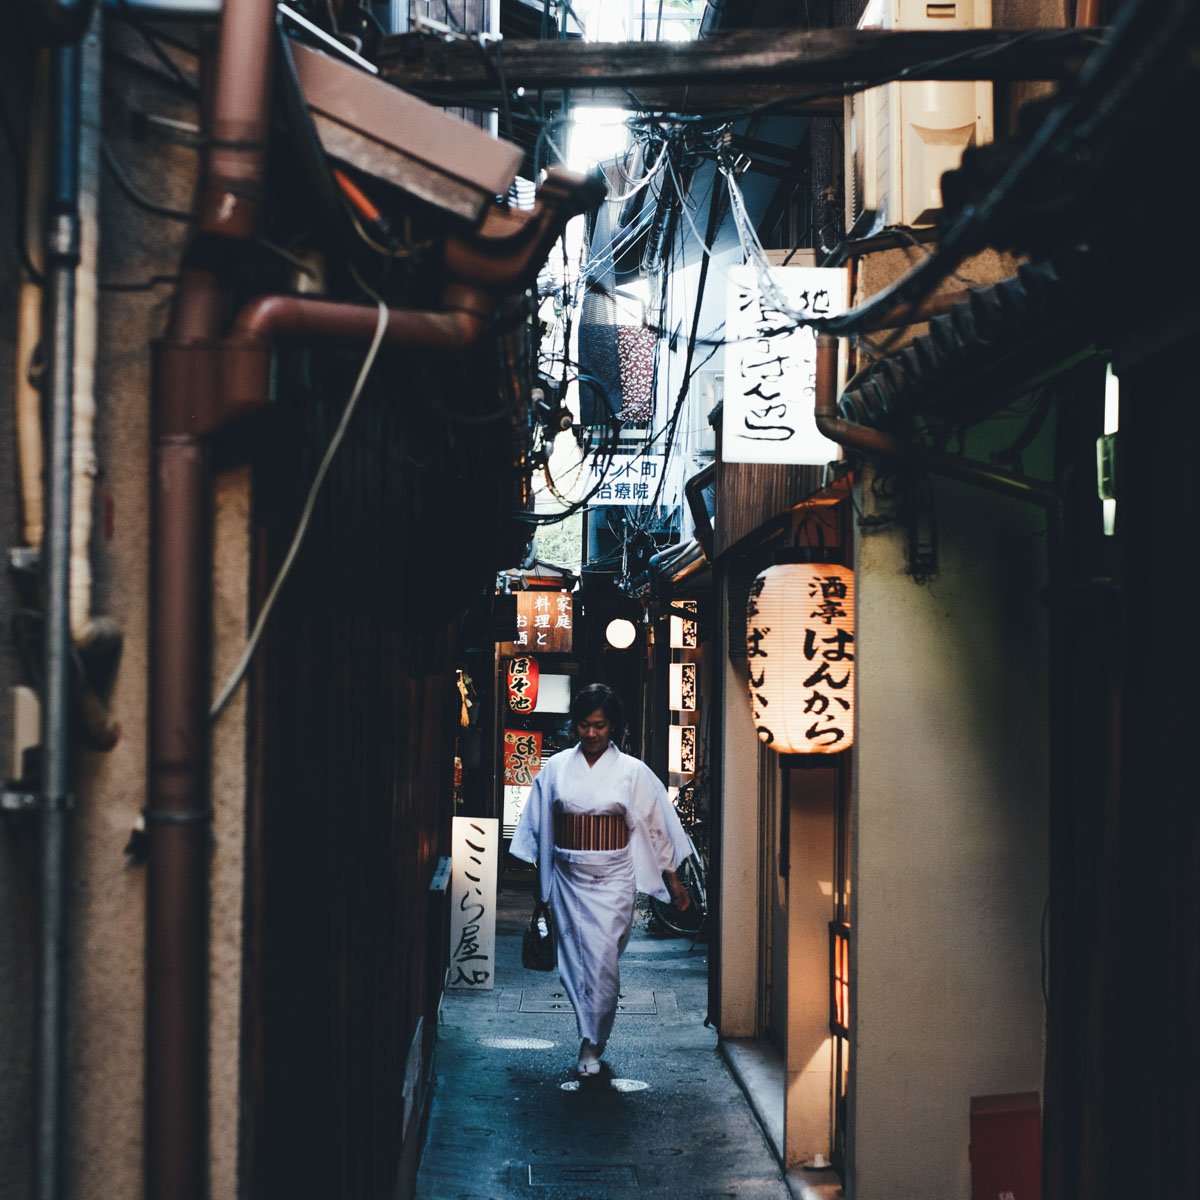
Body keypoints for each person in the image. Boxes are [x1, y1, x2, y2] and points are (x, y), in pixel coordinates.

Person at [510, 683, 694, 1078]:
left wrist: (673, 881)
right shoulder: (556, 767)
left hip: (613, 879)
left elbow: (656, 826)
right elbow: (540, 826)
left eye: (600, 726)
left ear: (614, 728)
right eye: (584, 725)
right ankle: (589, 1036)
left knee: (603, 962)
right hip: (567, 877)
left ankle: (594, 1039)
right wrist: (540, 884)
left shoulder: (632, 772)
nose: (591, 734)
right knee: (575, 964)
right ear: (574, 725)